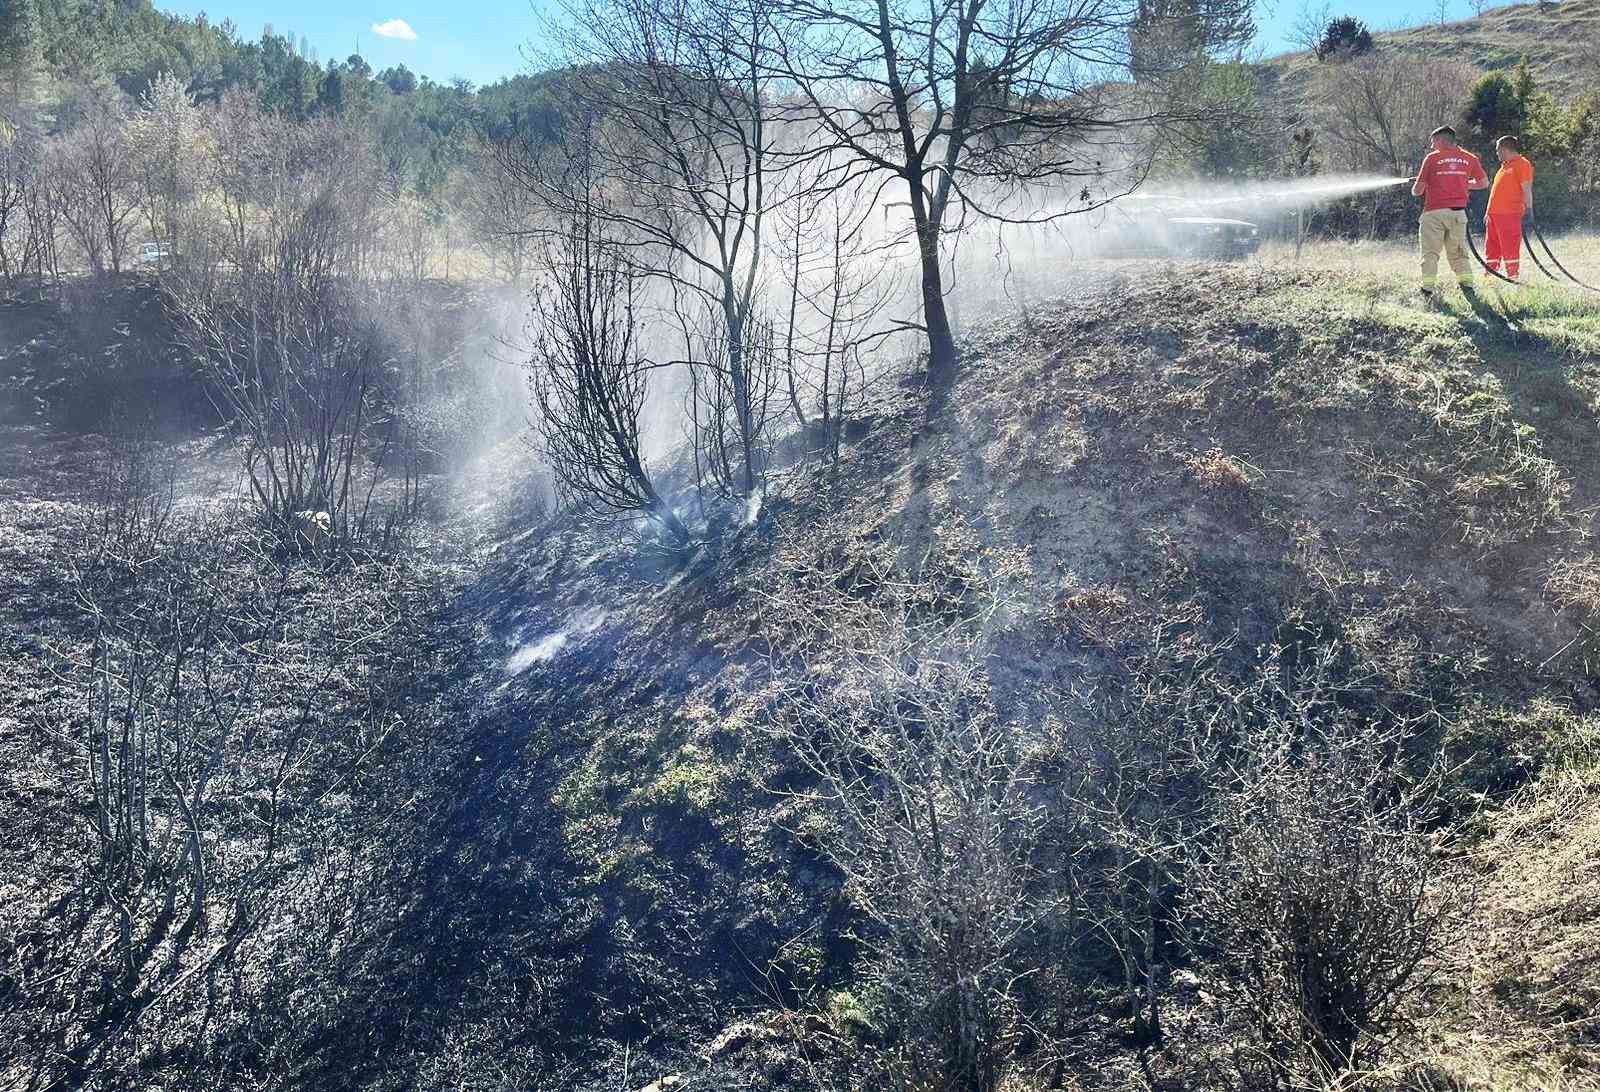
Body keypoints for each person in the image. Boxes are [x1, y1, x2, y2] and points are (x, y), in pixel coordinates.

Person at [1410, 125, 1489, 298]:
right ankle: (1467, 287)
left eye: (1433, 142)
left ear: (1441, 140)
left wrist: (1417, 185)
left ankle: (1427, 290)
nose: (1432, 146)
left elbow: (1417, 191)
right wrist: (1462, 183)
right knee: (1459, 252)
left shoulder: (1432, 158)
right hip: (1458, 215)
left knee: (1430, 253)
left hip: (1433, 214)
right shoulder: (1469, 158)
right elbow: (1484, 183)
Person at [1485, 134, 1535, 280]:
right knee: (1491, 249)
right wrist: (1488, 212)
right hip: (1493, 217)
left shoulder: (1522, 164)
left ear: (1505, 148)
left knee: (1509, 249)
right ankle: (1489, 279)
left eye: (1497, 150)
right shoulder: (1504, 167)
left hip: (1510, 216)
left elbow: (1526, 188)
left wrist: (1529, 210)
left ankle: (1513, 278)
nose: (1496, 153)